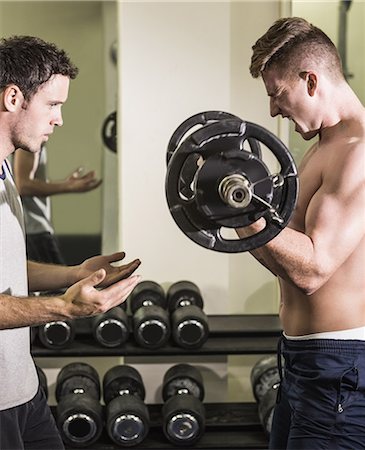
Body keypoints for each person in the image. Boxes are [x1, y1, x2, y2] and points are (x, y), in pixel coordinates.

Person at [0, 35, 141, 449]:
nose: (59, 119)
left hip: (25, 389)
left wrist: (73, 274)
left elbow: (9, 268)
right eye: (52, 105)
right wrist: (63, 307)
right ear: (13, 98)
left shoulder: (5, 172)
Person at [237, 17, 365, 449]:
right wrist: (237, 215)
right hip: (303, 362)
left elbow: (313, 270)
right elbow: (283, 252)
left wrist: (241, 214)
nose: (273, 109)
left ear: (311, 81)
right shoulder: (322, 149)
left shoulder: (357, 153)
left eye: (277, 93)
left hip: (339, 371)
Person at [12, 145, 102, 266]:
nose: (58, 124)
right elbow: (23, 185)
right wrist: (69, 186)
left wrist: (67, 184)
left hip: (32, 231)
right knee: (58, 283)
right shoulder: (30, 140)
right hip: (33, 231)